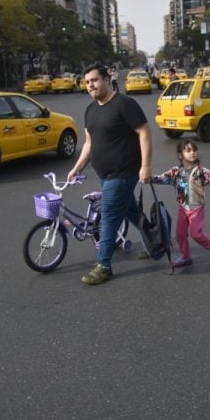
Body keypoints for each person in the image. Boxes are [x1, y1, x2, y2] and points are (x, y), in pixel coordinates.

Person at [67, 63, 153, 285]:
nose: (90, 86)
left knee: (108, 216)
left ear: (107, 79)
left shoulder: (124, 104)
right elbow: (89, 143)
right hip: (105, 174)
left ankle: (103, 265)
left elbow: (144, 132)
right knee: (131, 211)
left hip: (123, 172)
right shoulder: (90, 110)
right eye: (87, 82)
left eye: (94, 80)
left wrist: (146, 166)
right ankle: (157, 243)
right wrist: (77, 168)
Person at [152, 140, 210, 267]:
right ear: (180, 155)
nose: (193, 153)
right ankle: (185, 256)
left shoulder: (200, 171)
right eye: (188, 150)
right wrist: (149, 178)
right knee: (180, 235)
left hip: (197, 208)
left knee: (196, 234)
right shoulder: (176, 171)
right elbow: (163, 178)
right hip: (183, 208)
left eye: (194, 150)